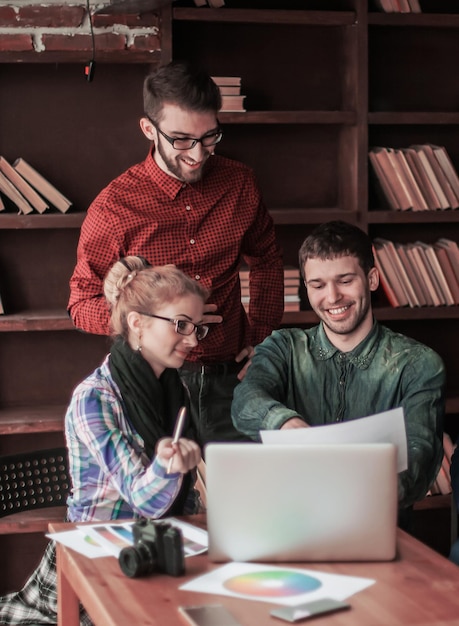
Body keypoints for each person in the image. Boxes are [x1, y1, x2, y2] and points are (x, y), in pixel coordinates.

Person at [68, 60, 284, 448]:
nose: (198, 154)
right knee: (164, 499)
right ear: (149, 130)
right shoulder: (113, 208)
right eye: (182, 140)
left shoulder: (240, 183)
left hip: (232, 377)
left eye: (210, 137)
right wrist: (155, 322)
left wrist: (263, 338)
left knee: (237, 500)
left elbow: (267, 259)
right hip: (151, 383)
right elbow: (81, 302)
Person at [0, 257, 207, 625]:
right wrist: (167, 466)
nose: (192, 339)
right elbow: (146, 501)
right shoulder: (95, 398)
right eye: (181, 325)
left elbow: (182, 498)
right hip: (92, 563)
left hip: (154, 548)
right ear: (137, 323)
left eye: (196, 328)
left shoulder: (177, 389)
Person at [232, 220, 446, 524]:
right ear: (306, 289)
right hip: (291, 522)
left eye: (345, 280)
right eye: (318, 285)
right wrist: (287, 424)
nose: (332, 297)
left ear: (371, 279)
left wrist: (350, 489)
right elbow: (245, 400)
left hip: (377, 526)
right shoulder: (284, 346)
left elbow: (420, 456)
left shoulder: (419, 363)